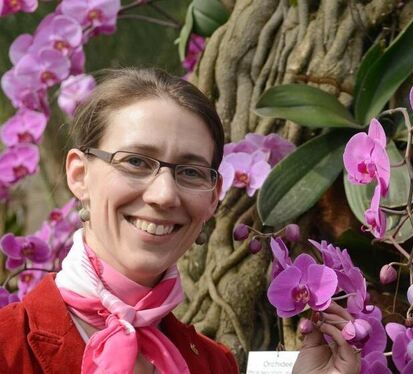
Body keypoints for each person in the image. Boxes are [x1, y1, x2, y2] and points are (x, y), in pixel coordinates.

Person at [0, 68, 360, 373]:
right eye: (136, 162)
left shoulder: (214, 364)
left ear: (213, 197)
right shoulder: (9, 346)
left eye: (190, 171)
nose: (164, 195)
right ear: (79, 175)